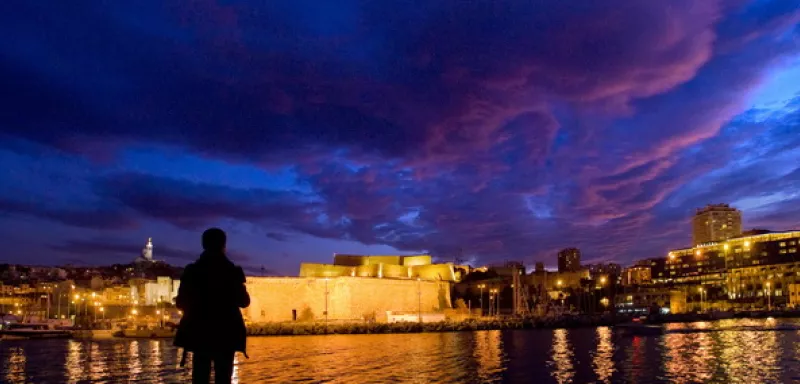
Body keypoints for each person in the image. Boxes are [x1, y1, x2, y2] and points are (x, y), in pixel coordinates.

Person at [175, 228, 250, 384]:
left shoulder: (192, 271)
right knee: (223, 377)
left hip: (199, 332)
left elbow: (180, 302)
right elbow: (244, 302)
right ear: (224, 245)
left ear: (203, 244)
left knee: (200, 376)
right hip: (226, 333)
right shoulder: (232, 271)